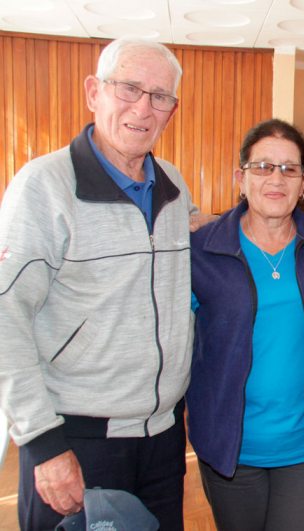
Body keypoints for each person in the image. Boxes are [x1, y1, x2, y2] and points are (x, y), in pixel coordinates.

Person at [0, 38, 197, 530]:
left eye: (160, 96)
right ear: (93, 92)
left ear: (172, 110)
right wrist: (43, 444)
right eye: (128, 88)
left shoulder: (173, 185)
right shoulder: (43, 187)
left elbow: (202, 237)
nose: (143, 108)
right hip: (77, 442)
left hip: (163, 439)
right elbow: (5, 317)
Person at [187, 119, 304, 531]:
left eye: (289, 169)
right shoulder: (203, 249)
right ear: (241, 178)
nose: (276, 178)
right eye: (263, 167)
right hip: (231, 449)